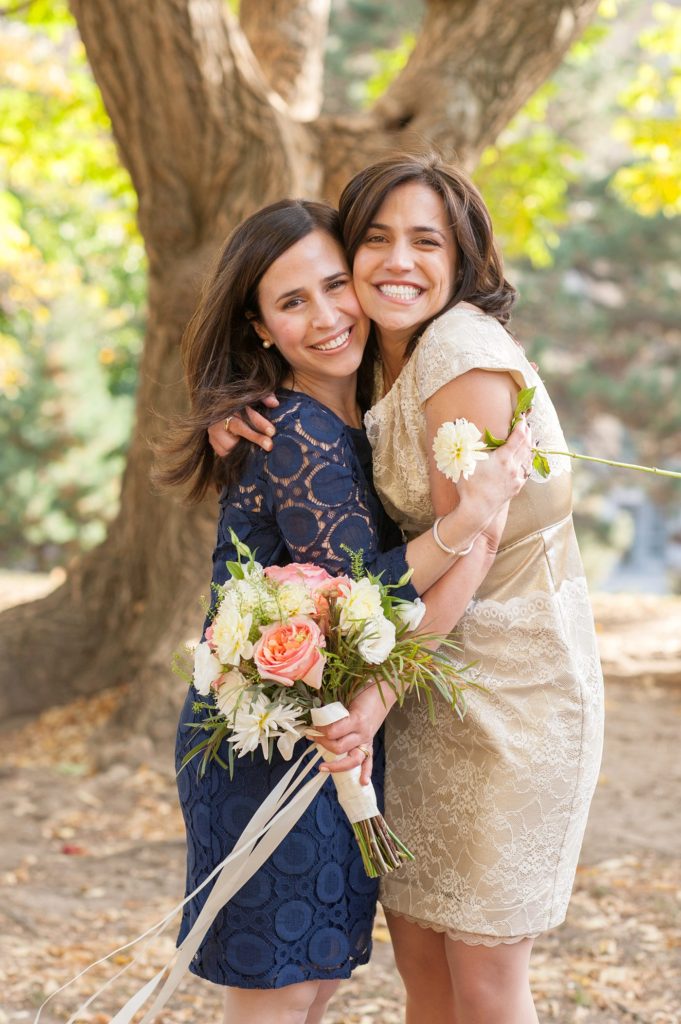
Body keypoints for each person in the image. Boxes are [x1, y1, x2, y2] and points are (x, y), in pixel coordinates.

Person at [211, 154, 605, 1024]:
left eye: (426, 241)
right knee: (424, 974)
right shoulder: (381, 357)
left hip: (503, 695)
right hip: (420, 693)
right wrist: (239, 404)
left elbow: (475, 543)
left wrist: (378, 697)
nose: (398, 261)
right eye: (376, 239)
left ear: (460, 258)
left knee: (485, 983)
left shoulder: (458, 354)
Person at [159, 197, 532, 1024]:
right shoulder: (294, 431)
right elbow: (361, 595)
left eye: (335, 286)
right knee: (282, 993)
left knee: (310, 983)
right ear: (259, 327)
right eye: (292, 302)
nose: (327, 317)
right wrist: (466, 522)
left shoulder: (354, 414)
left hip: (318, 731)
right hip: (266, 745)